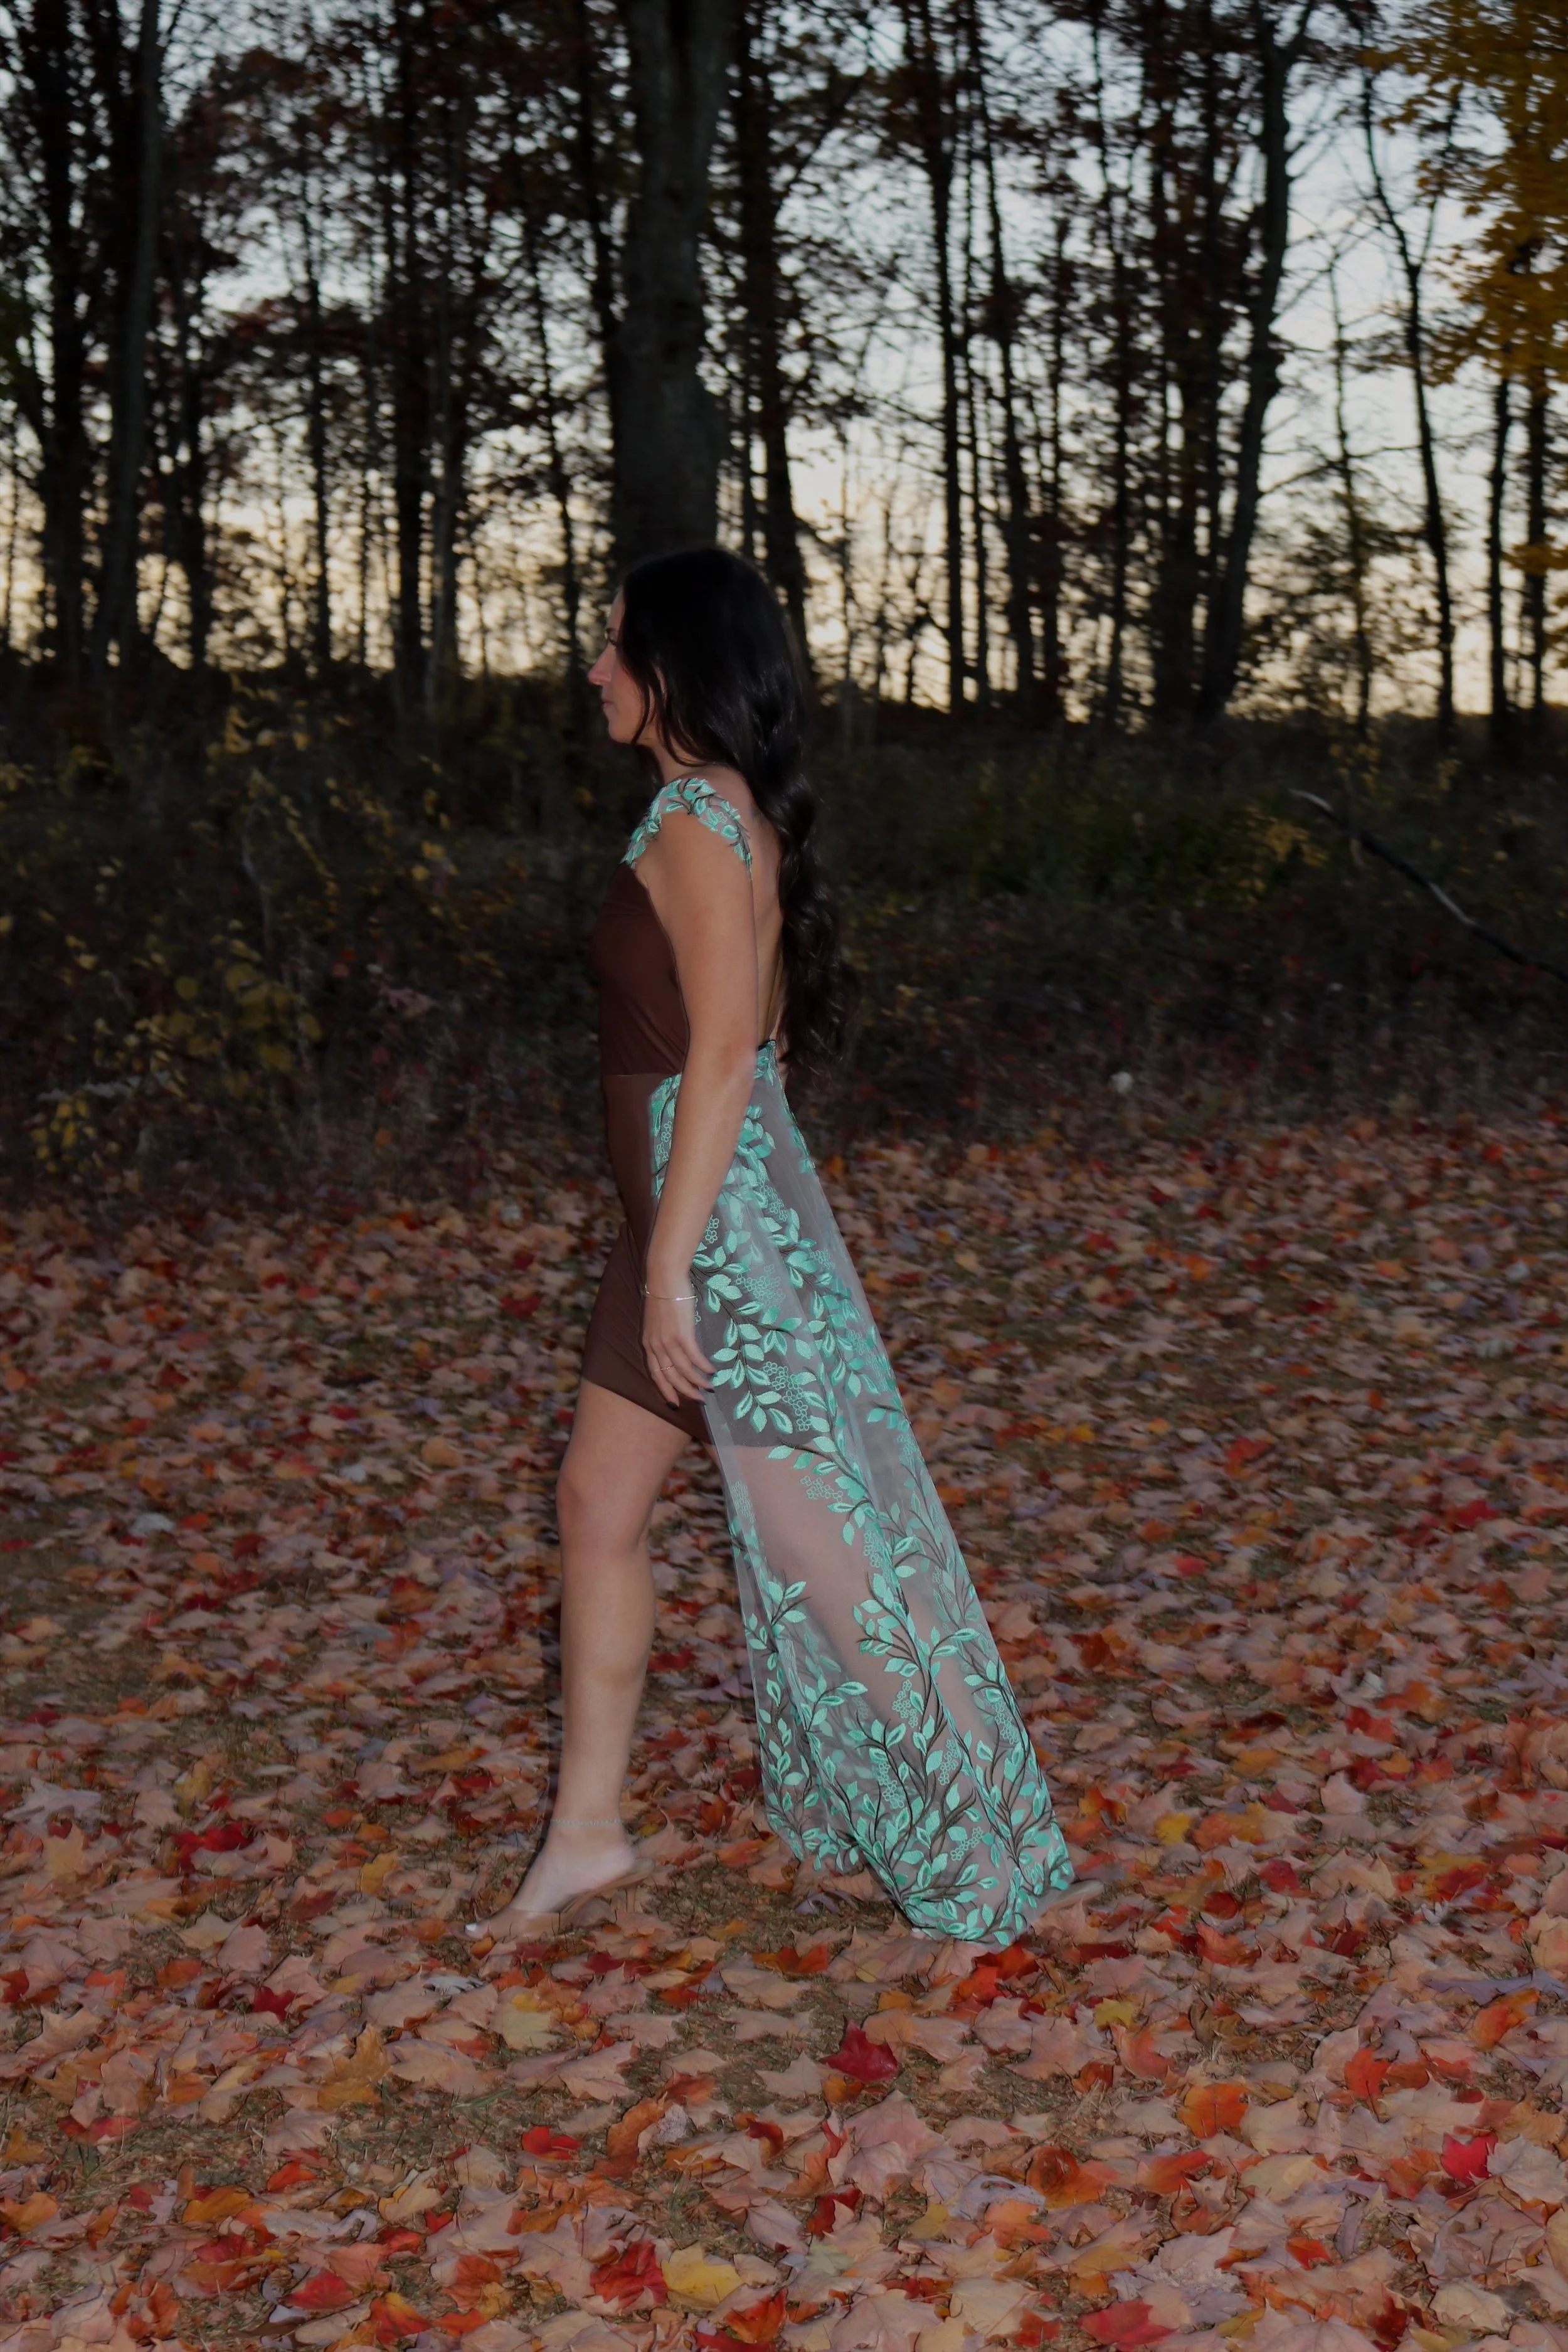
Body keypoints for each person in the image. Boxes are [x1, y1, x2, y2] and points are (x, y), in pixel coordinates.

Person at [472, 547, 1071, 1949]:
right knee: (593, 1508)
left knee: (821, 1545)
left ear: (680, 664)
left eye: (616, 645)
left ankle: (976, 1848)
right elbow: (761, 1038)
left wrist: (683, 1259)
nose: (596, 668)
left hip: (703, 1237)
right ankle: (587, 1837)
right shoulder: (729, 812)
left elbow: (734, 1051)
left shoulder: (695, 814)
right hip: (680, 1223)